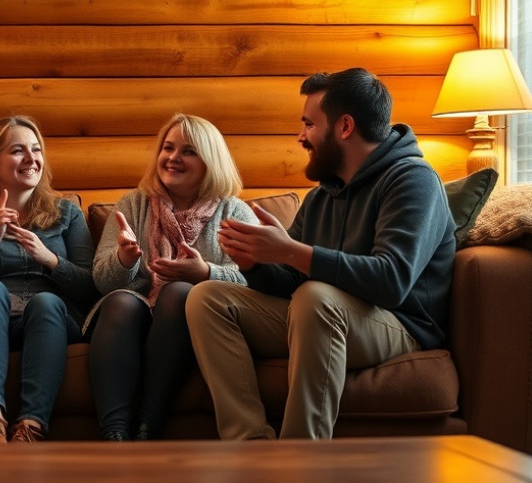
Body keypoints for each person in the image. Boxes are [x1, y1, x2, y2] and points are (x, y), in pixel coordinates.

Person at [186, 68, 456, 440]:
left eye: (309, 124)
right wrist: (255, 264)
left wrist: (292, 251)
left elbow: (392, 281)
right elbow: (292, 281)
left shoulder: (413, 179)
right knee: (207, 297)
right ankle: (250, 445)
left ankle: (301, 458)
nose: (301, 137)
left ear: (344, 127)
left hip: (397, 324)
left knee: (315, 297)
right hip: (320, 314)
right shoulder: (321, 197)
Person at [84, 113, 259, 441]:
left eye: (188, 151)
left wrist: (205, 273)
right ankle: (113, 435)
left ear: (210, 161)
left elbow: (259, 279)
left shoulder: (234, 213)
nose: (173, 157)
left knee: (179, 292)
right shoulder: (132, 204)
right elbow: (102, 282)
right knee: (121, 302)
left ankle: (147, 429)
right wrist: (123, 260)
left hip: (191, 323)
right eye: (168, 148)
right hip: (130, 317)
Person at [0, 115, 99, 443]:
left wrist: (50, 259)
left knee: (46, 302)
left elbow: (89, 287)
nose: (31, 158)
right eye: (17, 151)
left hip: (51, 322)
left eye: (36, 149)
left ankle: (31, 425)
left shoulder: (67, 213)